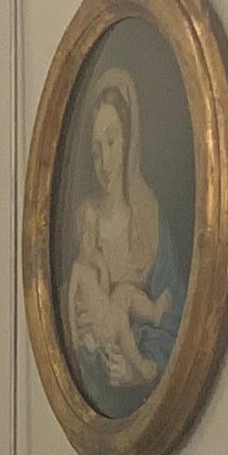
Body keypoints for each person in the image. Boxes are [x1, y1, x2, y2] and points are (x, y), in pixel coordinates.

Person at [61, 63, 178, 398]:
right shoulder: (86, 217)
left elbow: (176, 317)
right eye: (96, 149)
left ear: (129, 140)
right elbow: (71, 296)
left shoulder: (150, 218)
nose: (105, 162)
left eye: (112, 142)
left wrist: (139, 372)